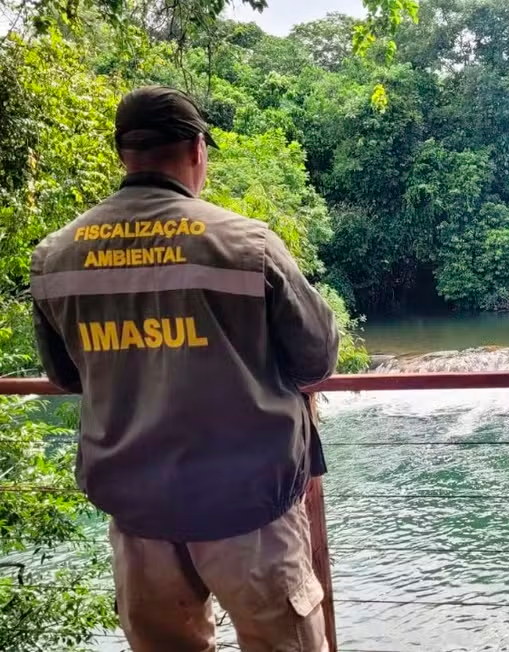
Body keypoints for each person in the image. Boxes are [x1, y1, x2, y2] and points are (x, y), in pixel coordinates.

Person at [29, 86, 339, 652]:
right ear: (197, 149)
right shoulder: (246, 244)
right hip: (249, 509)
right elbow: (316, 358)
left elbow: (67, 377)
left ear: (125, 154)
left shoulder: (56, 255)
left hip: (138, 510)